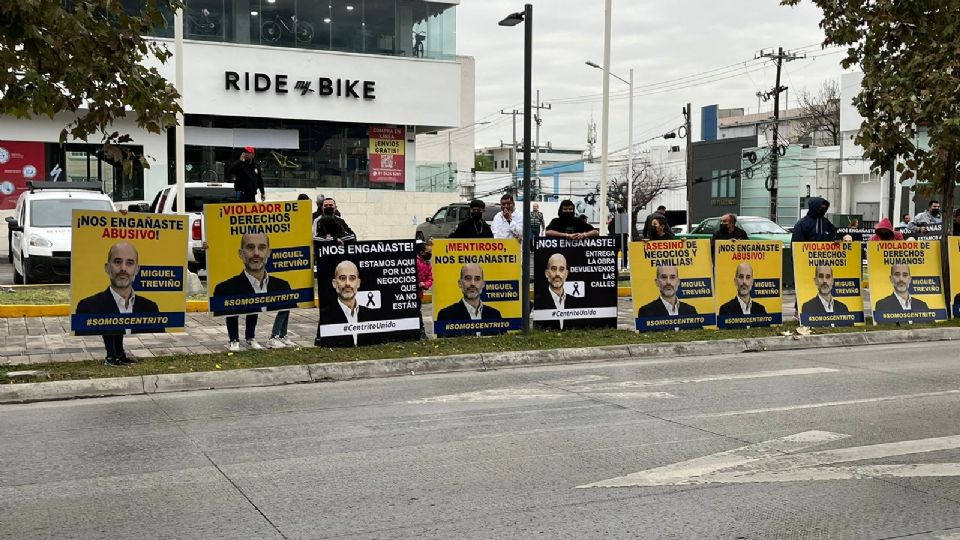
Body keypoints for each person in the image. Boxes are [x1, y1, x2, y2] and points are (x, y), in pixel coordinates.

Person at [76, 241, 160, 366]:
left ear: (137, 269)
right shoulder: (87, 306)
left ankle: (119, 354)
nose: (123, 269)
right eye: (117, 262)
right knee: (112, 321)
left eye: (130, 263)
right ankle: (111, 356)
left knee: (119, 321)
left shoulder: (150, 307)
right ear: (107, 268)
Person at [213, 232, 293, 352]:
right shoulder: (224, 288)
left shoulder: (283, 286)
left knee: (253, 307)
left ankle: (251, 337)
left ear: (268, 252)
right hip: (233, 292)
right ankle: (233, 340)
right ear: (241, 253)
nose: (256, 253)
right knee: (233, 307)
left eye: (261, 248)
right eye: (250, 247)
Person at [316, 260, 375, 347]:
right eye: (343, 278)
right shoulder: (326, 315)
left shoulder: (370, 315)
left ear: (358, 283)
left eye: (352, 278)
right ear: (334, 283)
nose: (347, 283)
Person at [436, 263, 504, 336]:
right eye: (468, 278)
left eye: (477, 279)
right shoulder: (446, 316)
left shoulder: (495, 315)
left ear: (483, 284)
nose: (473, 283)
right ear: (460, 283)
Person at [533, 253, 584, 330]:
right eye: (553, 269)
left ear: (566, 274)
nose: (557, 274)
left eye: (561, 269)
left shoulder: (576, 302)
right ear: (546, 273)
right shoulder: (538, 301)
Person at [415, 240, 433, 339]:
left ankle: (421, 333)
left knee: (418, 312)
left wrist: (424, 284)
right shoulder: (414, 262)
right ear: (421, 252)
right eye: (428, 252)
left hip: (419, 293)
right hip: (411, 292)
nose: (430, 254)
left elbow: (430, 279)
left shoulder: (427, 264)